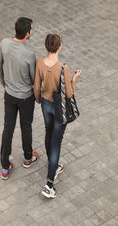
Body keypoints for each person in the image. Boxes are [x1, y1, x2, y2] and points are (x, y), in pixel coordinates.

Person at [33, 33, 79, 199]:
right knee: (56, 143)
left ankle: (53, 166)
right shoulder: (63, 68)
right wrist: (75, 79)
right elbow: (68, 94)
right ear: (60, 47)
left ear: (46, 47)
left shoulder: (39, 63)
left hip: (45, 104)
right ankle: (49, 183)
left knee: (48, 132)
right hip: (59, 108)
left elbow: (36, 87)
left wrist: (39, 99)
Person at [0, 16, 39, 180]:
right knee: (26, 126)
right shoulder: (29, 54)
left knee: (8, 127)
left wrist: (5, 85)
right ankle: (28, 157)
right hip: (25, 97)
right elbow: (34, 78)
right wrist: (37, 96)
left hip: (10, 94)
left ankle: (5, 166)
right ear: (27, 33)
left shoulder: (4, 43)